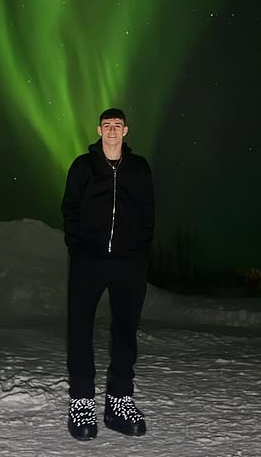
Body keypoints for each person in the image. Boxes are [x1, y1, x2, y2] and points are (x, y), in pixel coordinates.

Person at [61, 108, 155, 440]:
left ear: (126, 130)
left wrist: (139, 251)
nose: (112, 130)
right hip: (90, 260)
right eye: (107, 126)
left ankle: (118, 401)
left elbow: (148, 211)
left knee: (126, 331)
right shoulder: (83, 167)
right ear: (99, 131)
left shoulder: (139, 168)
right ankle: (81, 401)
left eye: (117, 125)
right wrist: (79, 248)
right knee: (80, 329)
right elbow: (69, 209)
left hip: (129, 263)